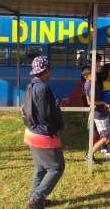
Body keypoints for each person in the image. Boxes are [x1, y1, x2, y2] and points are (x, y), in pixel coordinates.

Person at [24, 56, 68, 209]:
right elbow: (45, 115)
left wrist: (56, 104)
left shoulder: (32, 85)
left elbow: (36, 107)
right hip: (43, 136)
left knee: (41, 168)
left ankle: (34, 198)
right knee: (57, 167)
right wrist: (60, 124)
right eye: (50, 68)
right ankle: (36, 199)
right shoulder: (43, 88)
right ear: (47, 69)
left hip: (31, 133)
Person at [82, 64, 110, 169]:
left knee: (108, 136)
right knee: (105, 138)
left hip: (103, 112)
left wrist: (107, 101)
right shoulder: (88, 85)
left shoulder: (95, 82)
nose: (94, 75)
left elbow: (101, 95)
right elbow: (90, 102)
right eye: (92, 74)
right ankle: (89, 154)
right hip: (98, 115)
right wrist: (104, 102)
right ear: (86, 76)